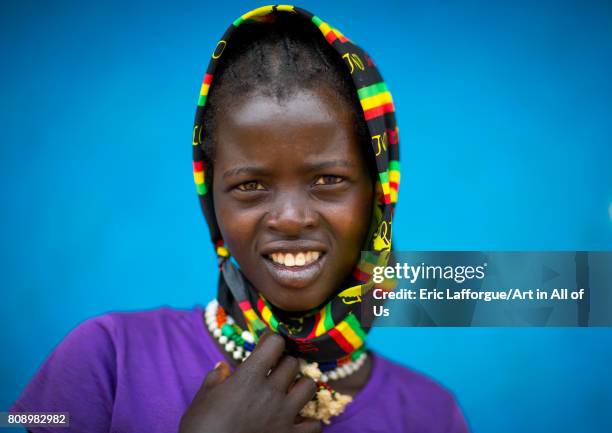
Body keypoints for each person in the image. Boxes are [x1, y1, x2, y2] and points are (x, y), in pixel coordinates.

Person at [11, 5, 470, 433]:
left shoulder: (431, 413)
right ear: (211, 200)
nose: (291, 219)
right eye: (250, 186)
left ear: (378, 193)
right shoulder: (107, 357)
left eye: (328, 179)